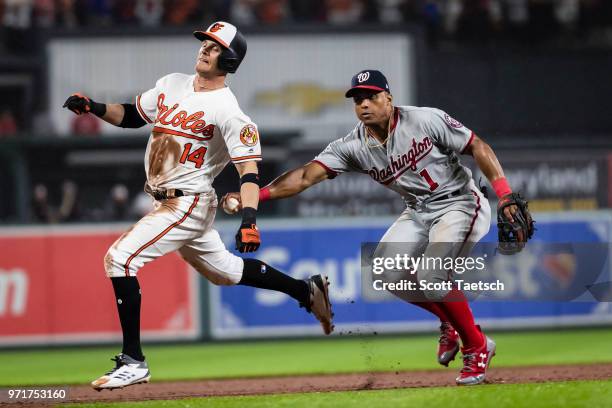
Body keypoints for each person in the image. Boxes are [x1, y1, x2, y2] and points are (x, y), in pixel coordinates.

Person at [62, 21, 333, 392]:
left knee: (120, 258)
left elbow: (248, 170)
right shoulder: (171, 83)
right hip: (169, 200)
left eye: (215, 45)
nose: (205, 48)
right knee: (225, 271)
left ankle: (133, 360)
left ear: (231, 58)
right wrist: (92, 107)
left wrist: (251, 218)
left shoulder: (228, 110)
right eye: (205, 42)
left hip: (186, 203)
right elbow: (131, 116)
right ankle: (306, 291)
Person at [223, 69, 534, 386]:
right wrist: (254, 196)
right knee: (386, 272)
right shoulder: (352, 146)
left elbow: (477, 146)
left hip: (460, 203)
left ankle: (477, 345)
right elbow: (304, 177)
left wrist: (505, 194)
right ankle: (450, 322)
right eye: (358, 99)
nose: (364, 104)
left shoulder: (425, 120)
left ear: (389, 98)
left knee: (431, 274)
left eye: (371, 96)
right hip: (418, 210)